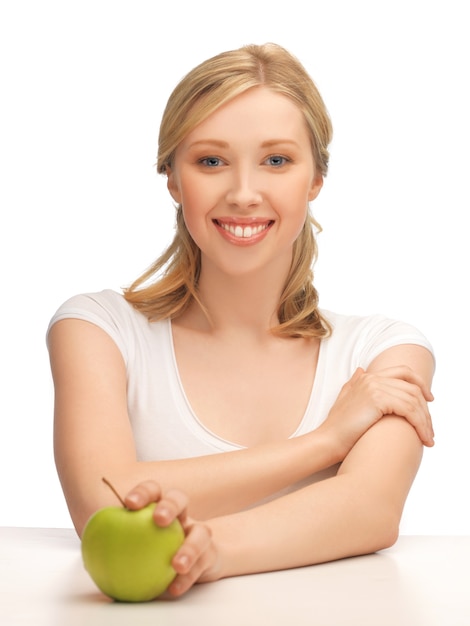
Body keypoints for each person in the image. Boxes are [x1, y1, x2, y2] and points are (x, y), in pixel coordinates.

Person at [47, 43, 435, 597]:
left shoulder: (382, 351)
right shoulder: (97, 329)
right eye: (211, 161)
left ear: (315, 180)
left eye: (276, 160)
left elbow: (370, 508)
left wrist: (209, 549)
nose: (244, 193)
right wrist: (326, 442)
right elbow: (103, 504)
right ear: (174, 180)